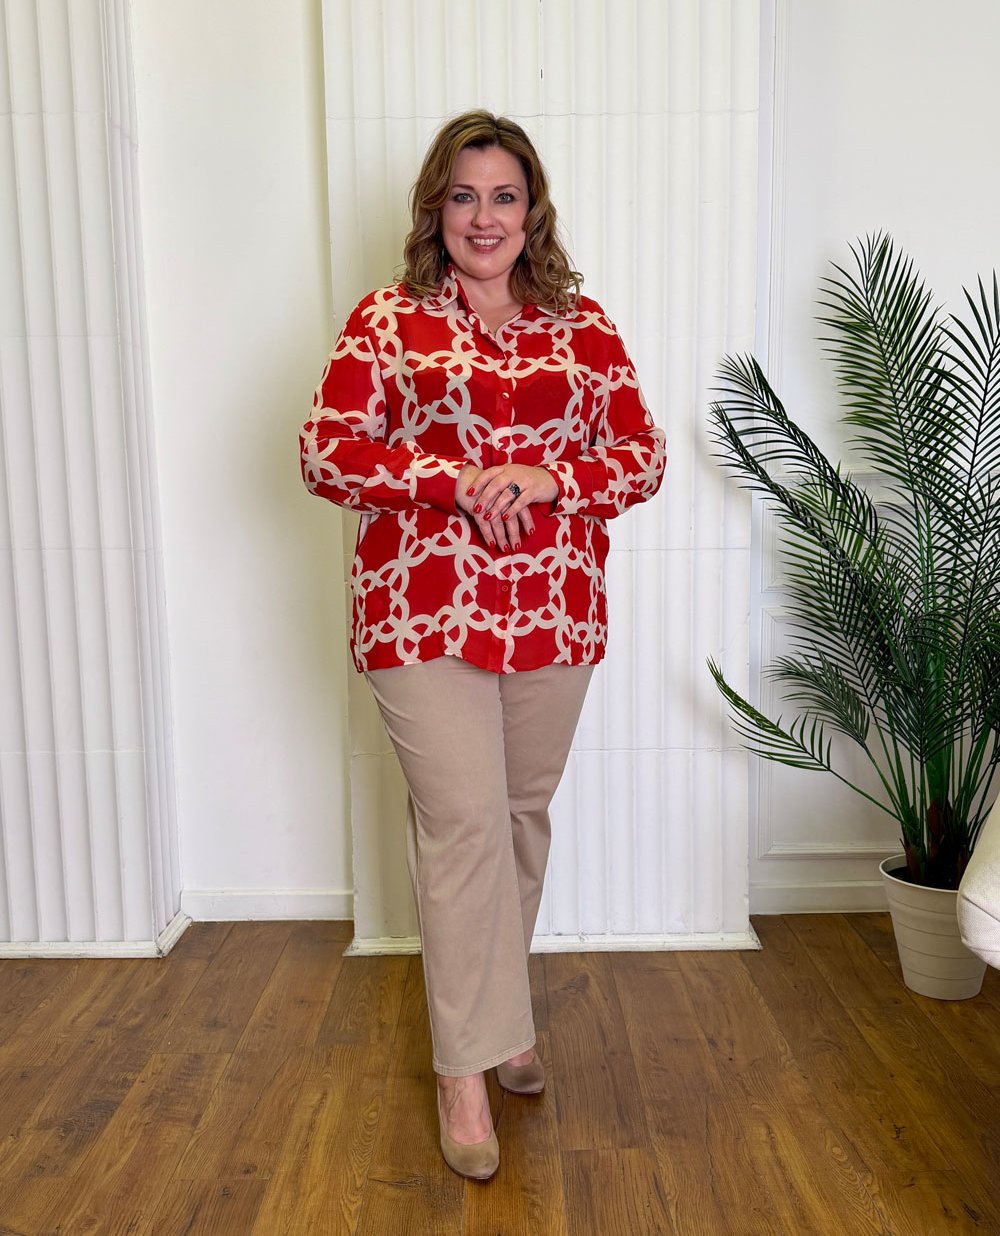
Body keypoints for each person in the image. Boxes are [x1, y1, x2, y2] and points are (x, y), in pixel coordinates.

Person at [300, 110, 665, 1181]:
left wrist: (550, 478)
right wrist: (451, 481)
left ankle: (503, 1024)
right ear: (436, 209)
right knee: (462, 823)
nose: (484, 217)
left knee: (516, 818)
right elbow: (326, 451)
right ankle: (462, 1071)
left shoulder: (583, 326)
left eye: (504, 196)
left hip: (554, 607)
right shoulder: (385, 321)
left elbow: (640, 457)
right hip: (422, 609)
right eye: (464, 197)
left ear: (531, 210)